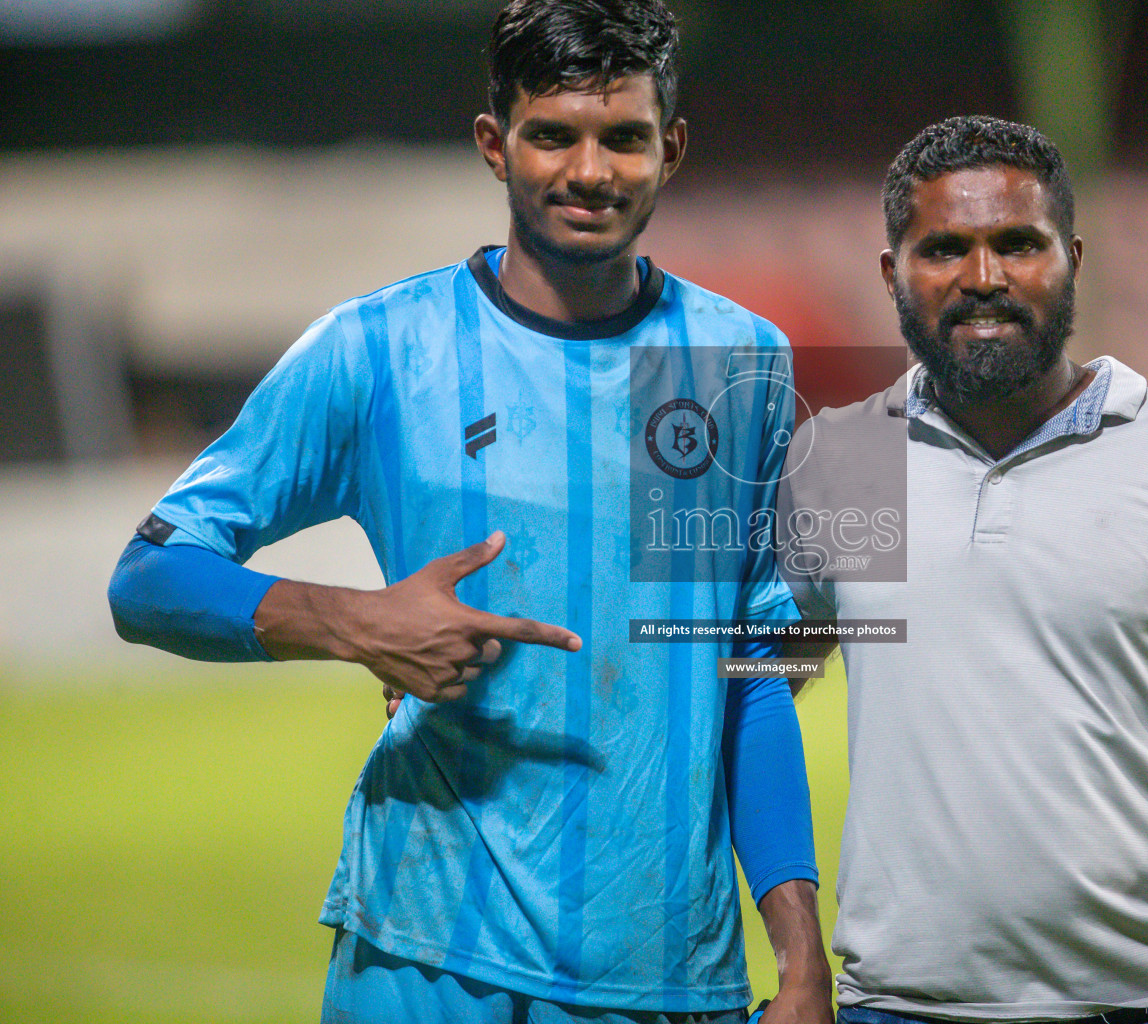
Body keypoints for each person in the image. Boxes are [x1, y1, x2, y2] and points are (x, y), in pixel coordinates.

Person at [106, 3, 832, 1022]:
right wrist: (355, 623)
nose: (589, 170)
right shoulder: (379, 349)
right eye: (553, 135)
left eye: (622, 136)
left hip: (668, 968)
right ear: (495, 145)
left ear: (670, 149)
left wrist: (802, 958)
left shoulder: (739, 362)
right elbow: (148, 577)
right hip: (424, 958)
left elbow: (752, 676)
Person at [774, 117, 1148, 1024]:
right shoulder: (840, 459)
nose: (984, 279)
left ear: (1072, 256)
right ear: (891, 272)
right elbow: (747, 690)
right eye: (944, 248)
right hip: (901, 1008)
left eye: (1017, 244)